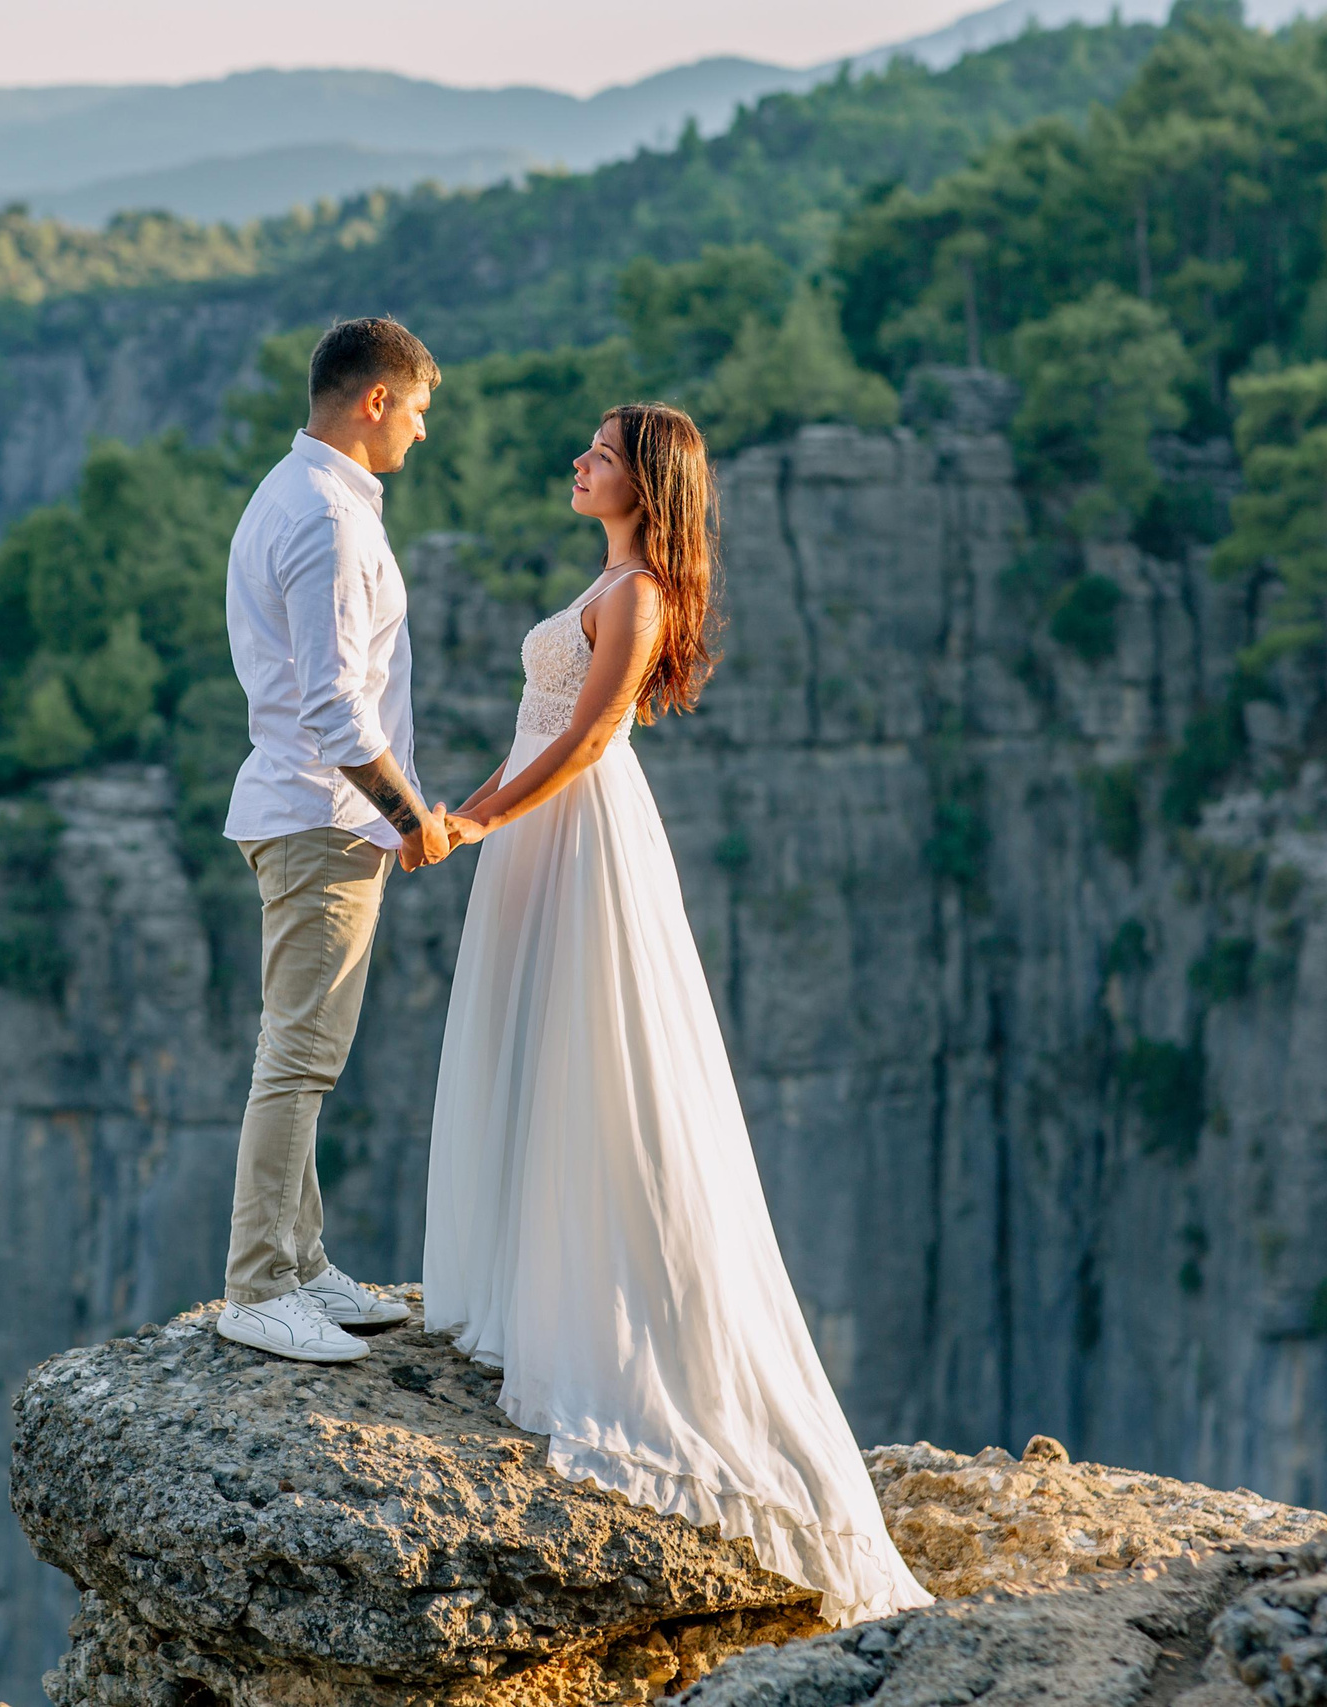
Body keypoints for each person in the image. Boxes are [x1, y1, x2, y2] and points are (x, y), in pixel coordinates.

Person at [422, 403, 934, 1624]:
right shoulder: (608, 578)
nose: (577, 460)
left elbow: (593, 734)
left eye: (596, 451)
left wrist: (485, 820)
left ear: (645, 480)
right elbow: (538, 726)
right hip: (533, 832)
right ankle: (532, 1286)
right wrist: (452, 813)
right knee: (537, 1047)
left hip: (580, 838)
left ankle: (618, 1334)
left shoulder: (638, 590)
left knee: (596, 1060)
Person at [215, 316, 454, 1364]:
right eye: (416, 411)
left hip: (309, 814)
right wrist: (412, 820)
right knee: (298, 1058)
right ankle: (259, 1284)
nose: (420, 433)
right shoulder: (327, 520)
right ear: (372, 401)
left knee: (302, 1051)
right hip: (323, 819)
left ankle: (302, 1265)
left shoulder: (303, 494)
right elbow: (335, 712)